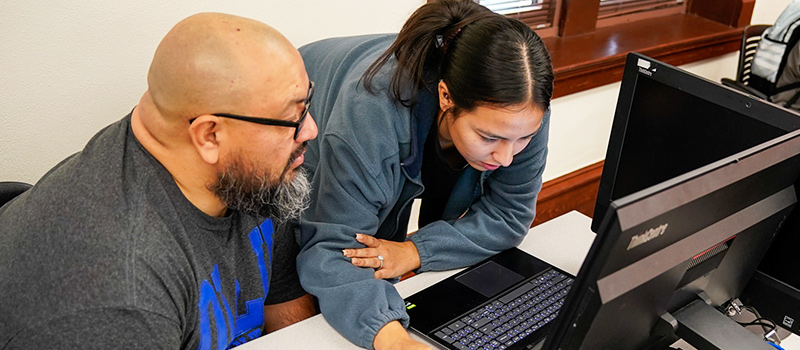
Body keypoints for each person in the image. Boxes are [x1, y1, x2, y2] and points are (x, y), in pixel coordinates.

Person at [0, 12, 318, 349]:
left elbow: (286, 310)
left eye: (306, 104)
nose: (310, 128)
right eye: (291, 118)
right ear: (209, 135)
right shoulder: (118, 298)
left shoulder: (250, 177)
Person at [295, 0, 554, 349]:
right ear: (446, 96)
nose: (507, 157)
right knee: (308, 283)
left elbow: (510, 215)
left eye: (523, 139)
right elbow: (335, 247)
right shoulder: (370, 115)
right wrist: (394, 341)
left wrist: (413, 251)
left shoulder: (520, 108)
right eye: (489, 138)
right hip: (301, 130)